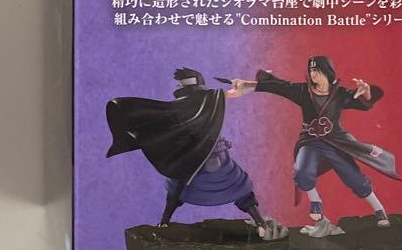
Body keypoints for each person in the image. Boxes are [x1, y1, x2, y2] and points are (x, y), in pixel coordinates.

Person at [106, 67, 285, 240]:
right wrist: (258, 84)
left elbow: (236, 92)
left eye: (181, 84)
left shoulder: (207, 99)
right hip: (191, 156)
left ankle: (260, 223)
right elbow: (235, 93)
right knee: (182, 187)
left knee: (235, 185)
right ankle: (165, 221)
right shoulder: (195, 102)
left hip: (210, 155)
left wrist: (258, 84)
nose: (179, 87)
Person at [229, 56, 399, 236]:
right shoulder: (303, 91)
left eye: (317, 70)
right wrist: (245, 84)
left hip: (336, 142)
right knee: (301, 172)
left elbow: (363, 103)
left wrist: (366, 93)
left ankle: (379, 209)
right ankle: (315, 201)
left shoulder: (340, 94)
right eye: (311, 71)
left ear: (327, 72)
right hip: (310, 142)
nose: (313, 74)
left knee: (355, 178)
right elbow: (279, 87)